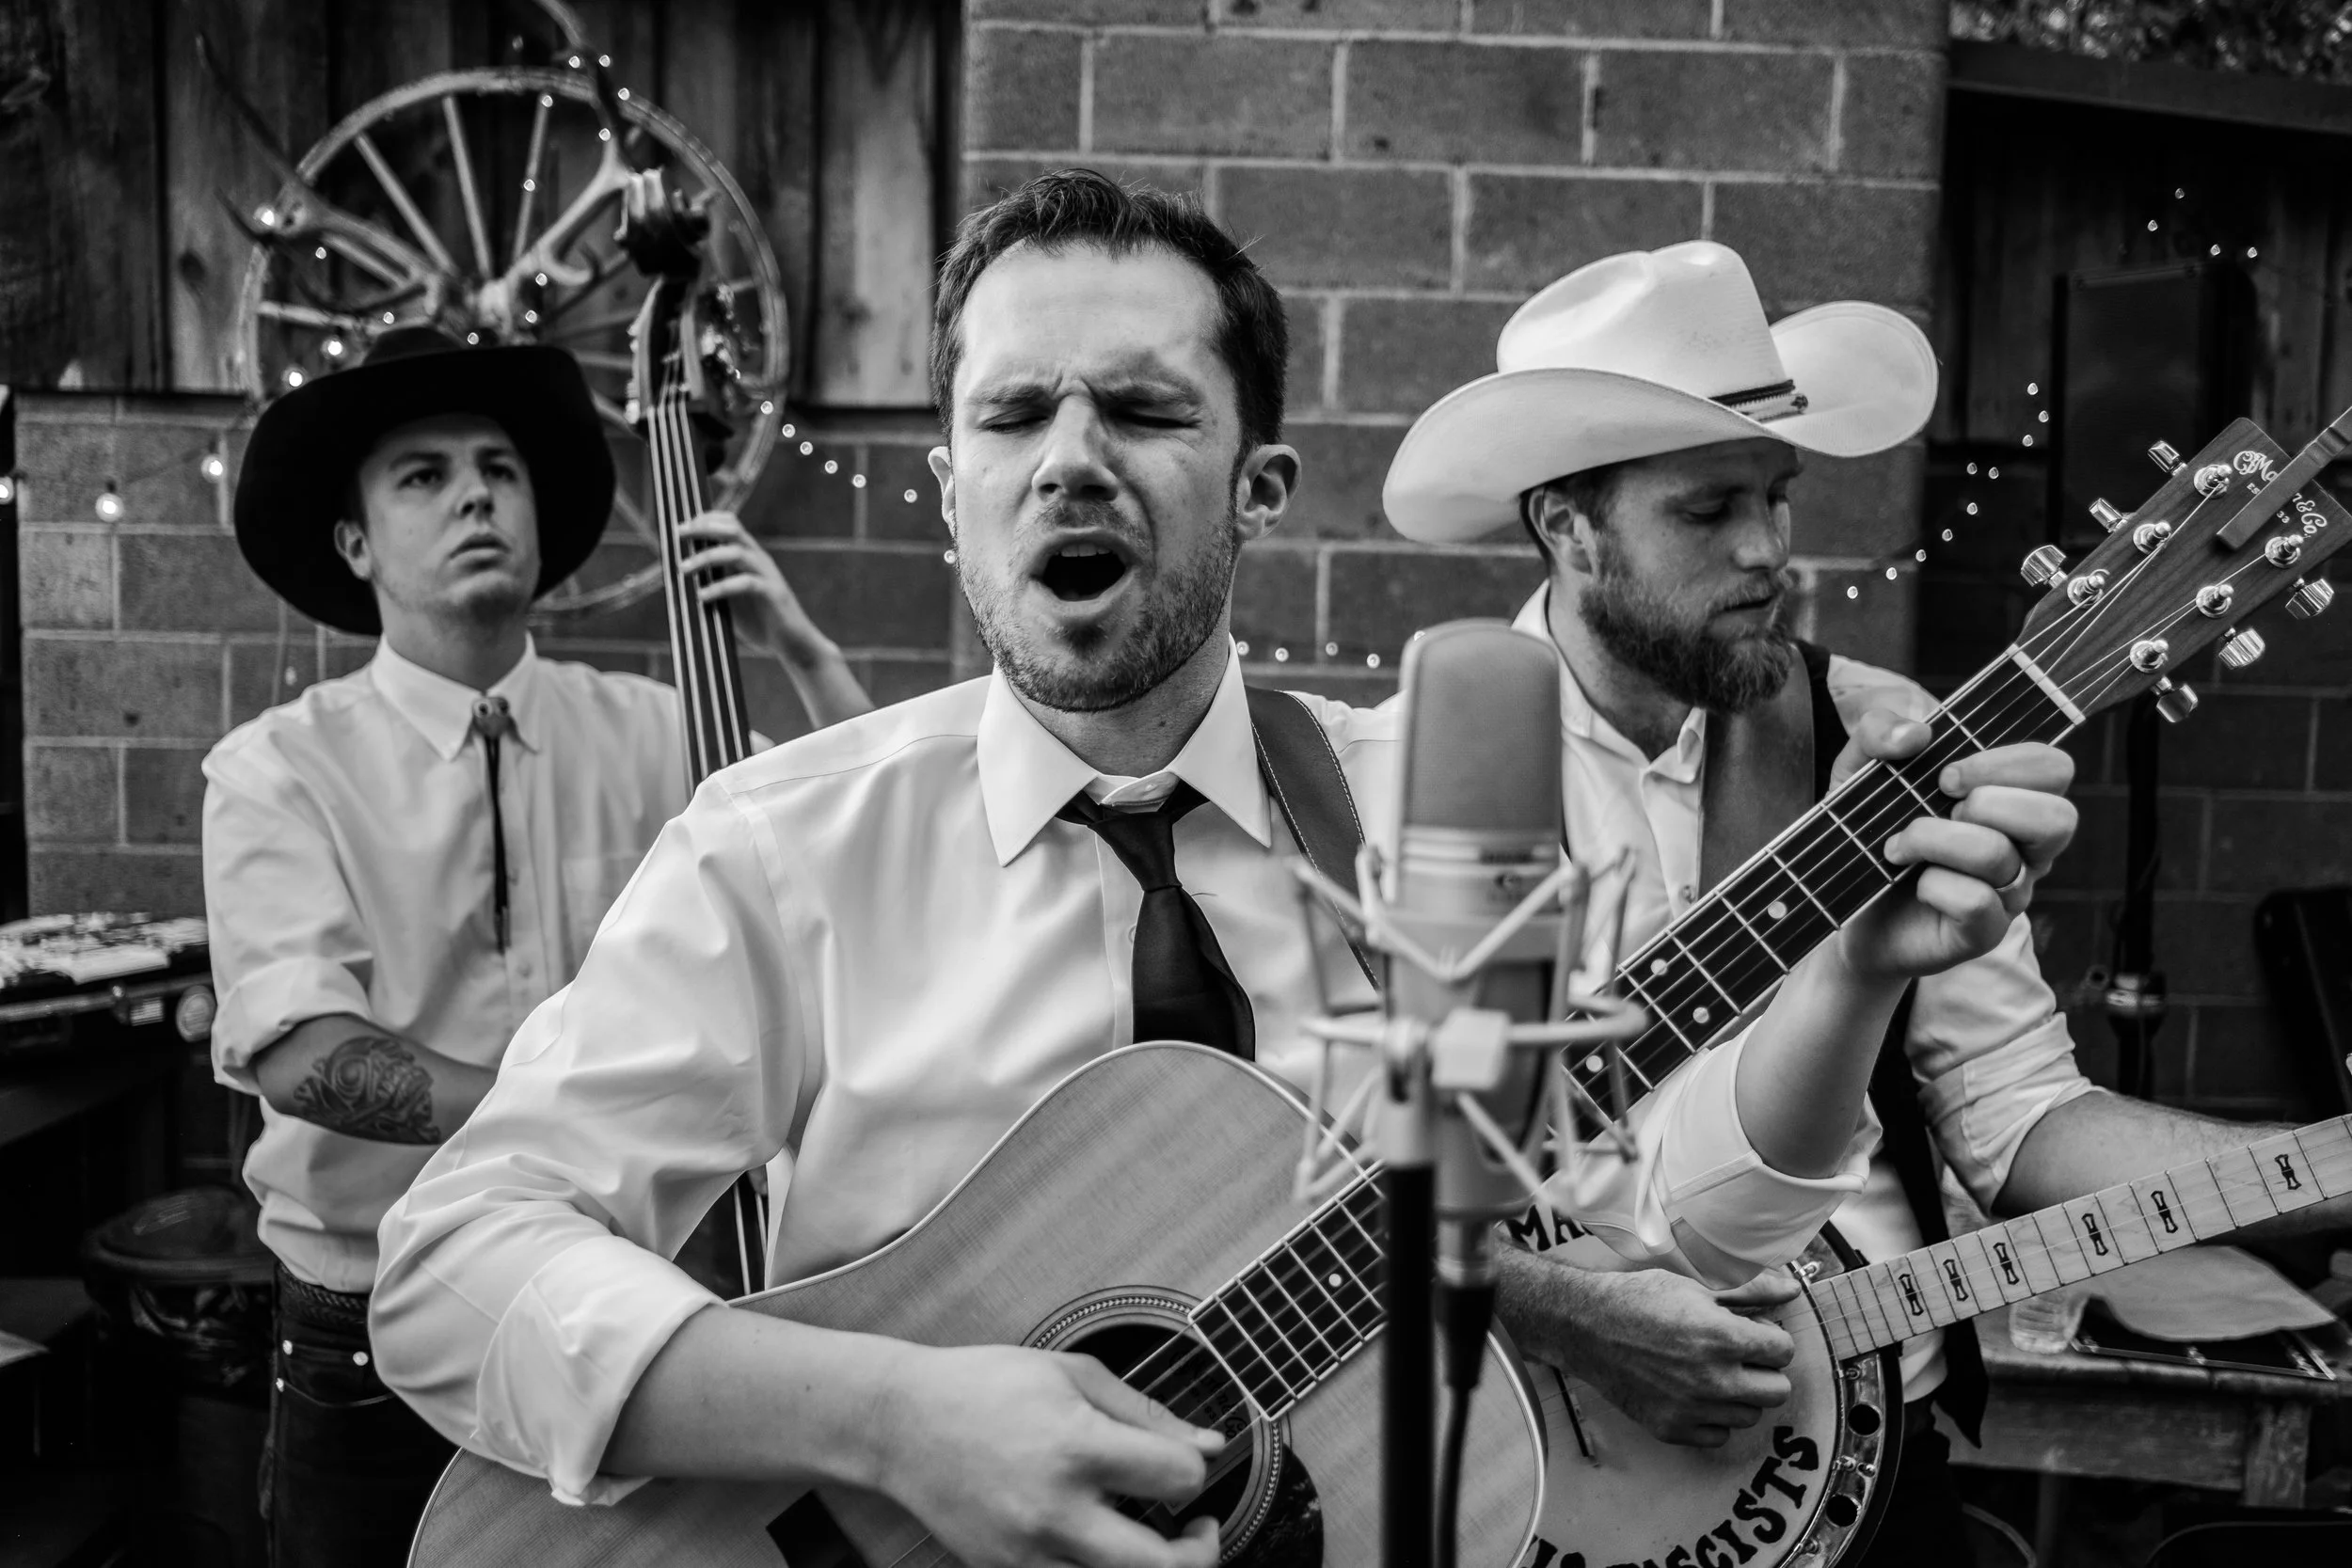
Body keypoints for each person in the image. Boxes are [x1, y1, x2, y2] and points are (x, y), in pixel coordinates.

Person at [369, 172, 2076, 1568]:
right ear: (952, 491)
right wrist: (895, 1421)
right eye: (1013, 412)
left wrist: (1854, 971)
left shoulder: (1434, 810)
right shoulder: (786, 842)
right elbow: (454, 1262)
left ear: (1259, 486)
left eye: (1141, 407)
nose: (1070, 456)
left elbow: (1670, 1219)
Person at [1382, 240, 2352, 1567]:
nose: (1768, 549)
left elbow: (2019, 1121)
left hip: (1870, 1449)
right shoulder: (1414, 778)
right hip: (1538, 1478)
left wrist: (2329, 1166)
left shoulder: (1877, 740)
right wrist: (1553, 1306)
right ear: (1568, 526)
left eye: (1777, 496)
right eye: (1708, 509)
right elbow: (1340, 1193)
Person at [202, 325, 871, 1568]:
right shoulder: (276, 769)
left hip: (619, 1315)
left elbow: (867, 857)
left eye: (498, 469)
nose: (475, 495)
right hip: (366, 1329)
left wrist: (803, 650)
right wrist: (582, 1111)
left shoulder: (659, 729)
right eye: (424, 475)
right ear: (355, 544)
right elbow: (305, 1058)